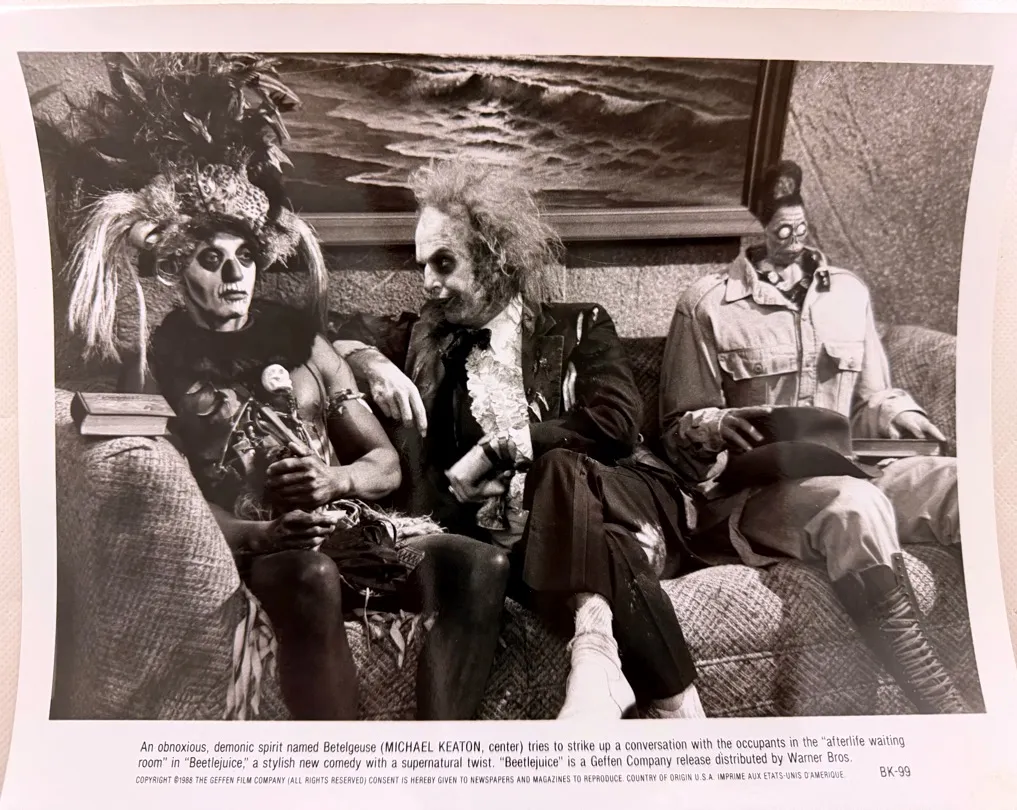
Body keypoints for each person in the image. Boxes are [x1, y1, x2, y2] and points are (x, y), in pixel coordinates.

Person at [53, 53, 507, 721]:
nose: (233, 275)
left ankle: (437, 752)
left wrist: (334, 480)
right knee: (312, 574)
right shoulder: (155, 368)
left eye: (244, 258)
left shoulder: (308, 347)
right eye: (211, 259)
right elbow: (179, 506)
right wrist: (263, 533)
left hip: (353, 527)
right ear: (178, 270)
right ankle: (338, 762)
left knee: (480, 566)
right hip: (265, 549)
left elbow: (383, 464)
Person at [330, 157, 705, 720]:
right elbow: (324, 326)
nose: (428, 282)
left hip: (622, 497)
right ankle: (650, 688)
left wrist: (499, 447)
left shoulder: (580, 324)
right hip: (540, 544)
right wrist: (369, 361)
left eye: (444, 262)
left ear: (495, 257)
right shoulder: (424, 340)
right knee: (551, 530)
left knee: (558, 467)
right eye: (422, 264)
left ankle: (612, 671)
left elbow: (615, 422)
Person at [659, 159, 967, 714]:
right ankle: (941, 706)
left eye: (801, 228)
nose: (794, 240)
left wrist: (901, 414)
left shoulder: (847, 293)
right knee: (855, 506)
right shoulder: (707, 304)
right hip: (760, 490)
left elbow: (873, 397)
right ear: (756, 228)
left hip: (853, 465)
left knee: (968, 486)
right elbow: (677, 427)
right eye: (782, 230)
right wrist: (716, 423)